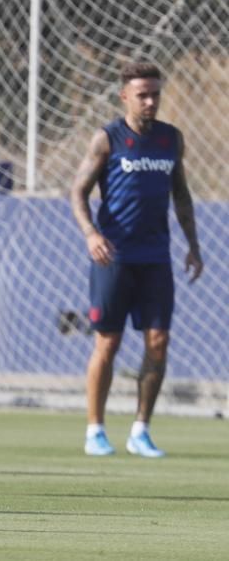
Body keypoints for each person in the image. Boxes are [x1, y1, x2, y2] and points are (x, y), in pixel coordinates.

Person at [70, 61, 203, 458]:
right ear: (124, 96)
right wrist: (92, 234)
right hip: (114, 257)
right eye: (142, 94)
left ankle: (140, 430)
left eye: (156, 94)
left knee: (159, 342)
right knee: (107, 343)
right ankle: (95, 430)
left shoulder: (170, 140)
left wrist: (193, 245)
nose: (150, 101)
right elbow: (77, 192)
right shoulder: (107, 139)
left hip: (156, 258)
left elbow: (180, 195)